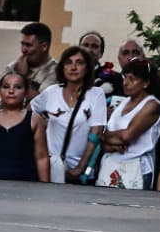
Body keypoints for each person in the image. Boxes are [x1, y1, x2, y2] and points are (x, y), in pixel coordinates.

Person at [30, 45, 109, 183]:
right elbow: (30, 111)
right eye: (68, 62)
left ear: (87, 68)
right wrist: (42, 125)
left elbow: (96, 132)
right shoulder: (51, 92)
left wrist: (81, 167)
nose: (73, 67)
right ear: (62, 67)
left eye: (79, 63)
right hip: (51, 165)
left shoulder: (96, 94)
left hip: (78, 169)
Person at [98, 59, 160, 190]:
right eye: (125, 77)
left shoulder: (152, 105)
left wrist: (104, 135)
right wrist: (109, 142)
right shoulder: (124, 102)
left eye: (132, 79)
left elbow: (127, 135)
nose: (125, 83)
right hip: (111, 163)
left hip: (136, 167)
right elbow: (108, 138)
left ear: (146, 83)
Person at [3, 22, 58, 97]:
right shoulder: (13, 67)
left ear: (44, 46)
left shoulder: (55, 71)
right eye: (22, 44)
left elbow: (41, 101)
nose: (23, 50)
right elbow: (2, 96)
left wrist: (21, 77)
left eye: (28, 45)